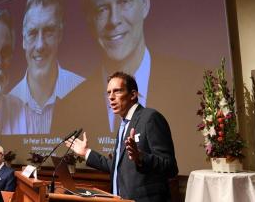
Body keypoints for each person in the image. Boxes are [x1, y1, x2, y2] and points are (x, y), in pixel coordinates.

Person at [52, 0, 201, 139]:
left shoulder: (193, 85)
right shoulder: (69, 106)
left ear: (145, 2)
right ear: (90, 18)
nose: (113, 20)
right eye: (102, 8)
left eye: (125, 1)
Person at [66, 72, 178, 202]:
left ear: (133, 94)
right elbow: (117, 166)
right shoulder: (124, 125)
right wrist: (86, 153)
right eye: (108, 93)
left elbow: (170, 167)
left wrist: (140, 157)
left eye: (117, 91)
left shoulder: (150, 118)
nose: (111, 97)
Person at [10, 0, 84, 134]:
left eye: (49, 31)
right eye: (32, 33)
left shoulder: (83, 90)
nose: (40, 45)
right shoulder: (7, 106)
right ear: (23, 39)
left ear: (60, 34)